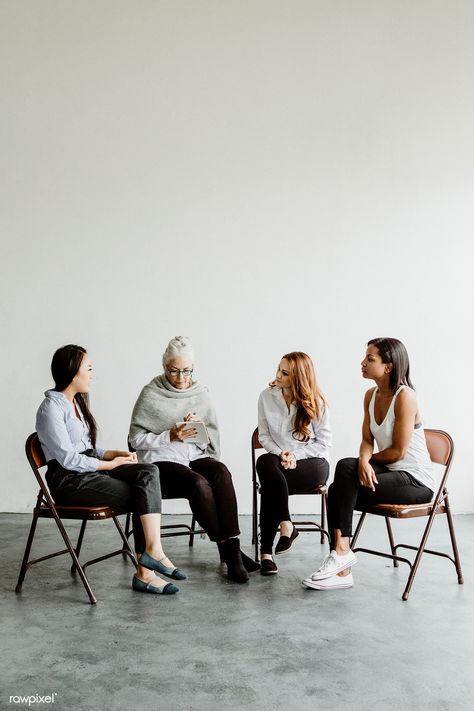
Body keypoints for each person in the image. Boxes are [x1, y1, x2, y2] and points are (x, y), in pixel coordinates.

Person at [36, 344, 185, 596]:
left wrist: (114, 454)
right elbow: (68, 459)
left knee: (147, 472)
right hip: (68, 481)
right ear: (73, 373)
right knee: (141, 494)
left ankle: (153, 552)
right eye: (89, 369)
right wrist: (110, 465)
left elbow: (87, 449)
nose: (93, 374)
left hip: (88, 472)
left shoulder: (76, 404)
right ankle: (146, 572)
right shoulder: (51, 408)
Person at [302, 337, 435, 591]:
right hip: (388, 472)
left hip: (415, 480)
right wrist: (364, 458)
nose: (362, 363)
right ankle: (342, 558)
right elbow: (366, 440)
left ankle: (341, 564)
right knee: (345, 469)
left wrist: (366, 460)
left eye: (370, 359)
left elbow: (397, 451)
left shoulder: (406, 397)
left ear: (389, 366)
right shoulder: (370, 395)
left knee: (340, 489)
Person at [129, 336, 259, 584]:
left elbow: (208, 439)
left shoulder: (200, 393)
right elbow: (135, 440)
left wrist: (196, 428)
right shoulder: (150, 393)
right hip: (161, 462)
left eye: (187, 371)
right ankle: (232, 555)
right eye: (174, 371)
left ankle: (232, 549)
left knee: (221, 472)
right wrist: (170, 435)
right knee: (197, 483)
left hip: (194, 455)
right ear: (165, 367)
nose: (181, 377)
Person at [257, 351, 331, 575]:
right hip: (279, 462)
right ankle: (286, 525)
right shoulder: (266, 396)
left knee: (270, 482)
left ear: (298, 378)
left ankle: (266, 552)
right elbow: (264, 437)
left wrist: (295, 457)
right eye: (278, 369)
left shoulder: (316, 402)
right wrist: (282, 454)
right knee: (264, 462)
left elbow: (323, 443)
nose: (278, 375)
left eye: (285, 373)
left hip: (312, 464)